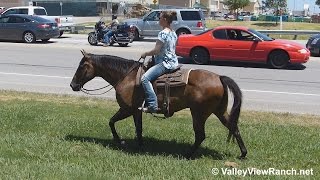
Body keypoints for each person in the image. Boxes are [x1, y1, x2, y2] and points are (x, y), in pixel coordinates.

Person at [140, 11, 179, 113]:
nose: (159, 20)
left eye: (160, 18)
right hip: (174, 62)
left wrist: (145, 53)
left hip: (165, 63)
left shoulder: (162, 33)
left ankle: (152, 105)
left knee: (144, 78)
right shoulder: (173, 32)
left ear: (165, 20)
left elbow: (156, 50)